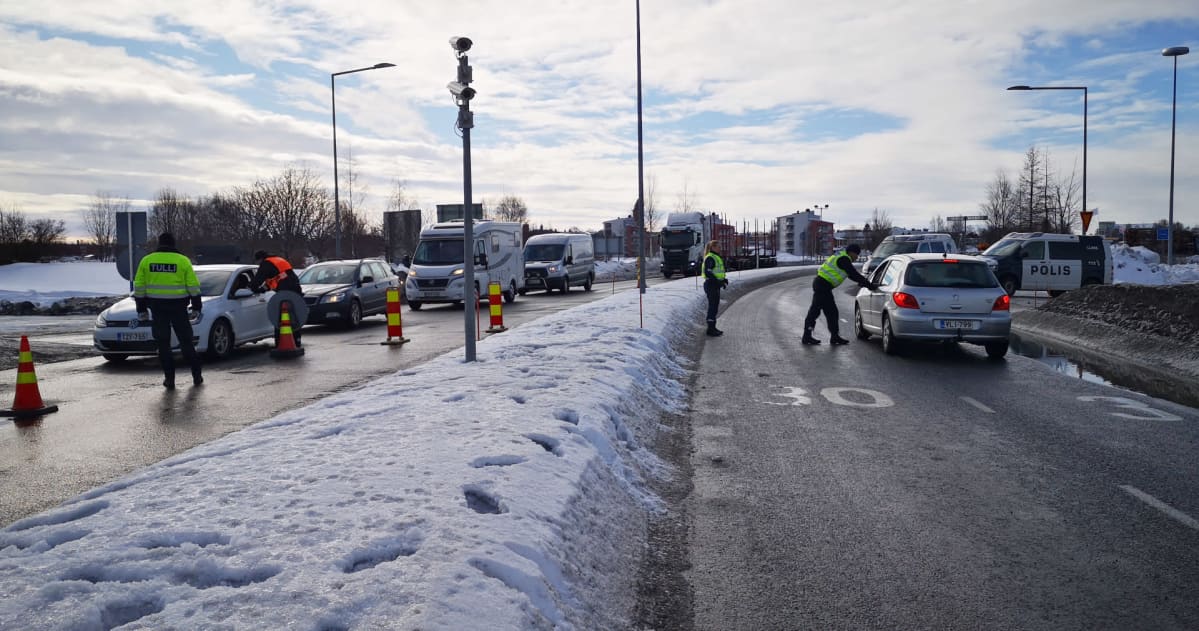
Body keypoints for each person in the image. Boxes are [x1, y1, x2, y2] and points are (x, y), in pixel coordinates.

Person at [133, 232, 203, 388]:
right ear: (173, 244)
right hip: (178, 307)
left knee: (163, 345)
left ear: (159, 243)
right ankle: (197, 376)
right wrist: (197, 306)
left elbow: (139, 287)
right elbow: (193, 286)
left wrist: (141, 308)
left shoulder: (147, 260)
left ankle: (169, 379)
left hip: (157, 308)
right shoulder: (183, 261)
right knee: (186, 342)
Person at [803, 243, 877, 346]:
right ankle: (812, 336)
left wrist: (862, 282)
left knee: (827, 312)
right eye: (856, 254)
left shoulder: (841, 257)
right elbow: (853, 273)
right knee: (821, 312)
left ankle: (828, 336)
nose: (857, 257)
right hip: (822, 286)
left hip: (822, 285)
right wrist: (869, 285)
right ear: (851, 252)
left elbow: (849, 274)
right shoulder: (844, 259)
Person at [250, 250, 304, 347]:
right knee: (294, 316)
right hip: (294, 289)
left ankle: (280, 342)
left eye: (257, 261)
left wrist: (252, 287)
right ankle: (296, 340)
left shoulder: (266, 263)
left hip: (285, 292)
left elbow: (258, 279)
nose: (258, 264)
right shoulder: (277, 260)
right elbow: (276, 279)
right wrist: (262, 289)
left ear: (261, 259)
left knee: (281, 317)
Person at [702, 239, 728, 337]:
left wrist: (723, 280)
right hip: (711, 285)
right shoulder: (710, 257)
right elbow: (708, 272)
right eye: (718, 247)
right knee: (713, 307)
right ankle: (710, 329)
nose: (720, 249)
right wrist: (717, 281)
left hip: (714, 285)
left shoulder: (715, 257)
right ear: (713, 247)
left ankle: (713, 327)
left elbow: (716, 272)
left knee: (714, 306)